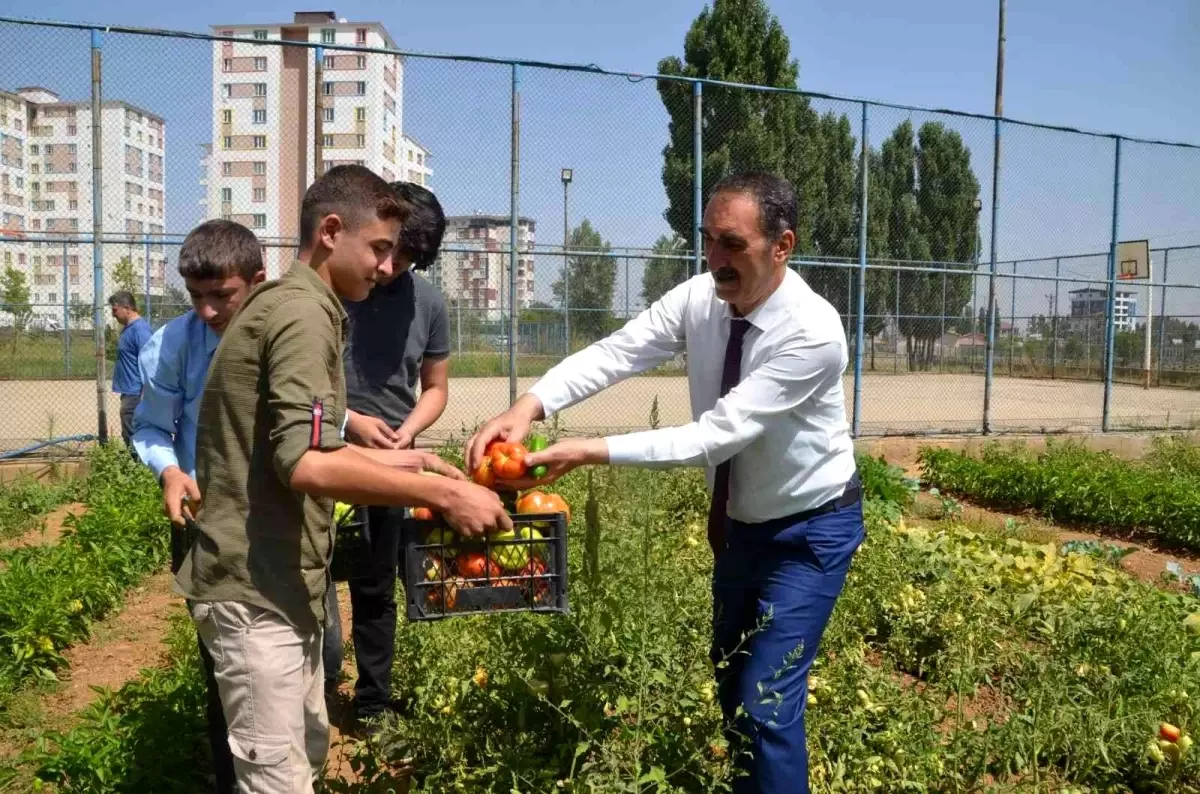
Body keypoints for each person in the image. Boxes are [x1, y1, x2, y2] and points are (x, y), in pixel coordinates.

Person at [467, 171, 863, 794]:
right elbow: (619, 351)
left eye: (732, 243)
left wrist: (590, 451)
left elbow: (716, 435)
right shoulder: (702, 298)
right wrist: (530, 405)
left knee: (765, 701)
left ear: (782, 245)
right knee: (732, 678)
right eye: (707, 240)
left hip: (807, 531)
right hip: (737, 525)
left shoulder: (812, 332)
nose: (714, 259)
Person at [176, 164, 511, 794]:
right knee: (277, 780)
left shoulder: (305, 307)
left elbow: (311, 443)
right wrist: (441, 492)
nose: (388, 268)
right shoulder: (302, 315)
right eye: (380, 250)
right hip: (255, 593)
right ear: (332, 231)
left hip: (280, 587)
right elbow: (304, 465)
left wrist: (418, 460)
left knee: (300, 761)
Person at [131, 218, 266, 794]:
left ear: (257, 282)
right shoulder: (175, 343)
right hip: (204, 520)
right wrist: (169, 471)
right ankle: (232, 778)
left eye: (223, 295)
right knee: (224, 664)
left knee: (310, 649)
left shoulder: (285, 334)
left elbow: (322, 423)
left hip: (274, 519)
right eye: (196, 297)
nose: (208, 310)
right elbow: (153, 426)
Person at [321, 181, 452, 729]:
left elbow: (436, 388)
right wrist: (348, 423)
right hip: (322, 454)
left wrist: (407, 432)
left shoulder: (428, 304)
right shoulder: (336, 286)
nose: (392, 265)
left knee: (377, 587)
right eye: (390, 248)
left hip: (392, 464)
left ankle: (373, 702)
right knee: (314, 578)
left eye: (409, 256)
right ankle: (317, 691)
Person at [108, 290, 153, 452]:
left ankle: (138, 469)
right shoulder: (129, 328)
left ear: (127, 308)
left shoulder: (140, 330)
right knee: (128, 431)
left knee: (134, 433)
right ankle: (135, 468)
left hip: (136, 393)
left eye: (115, 310)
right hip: (129, 391)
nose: (113, 315)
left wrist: (144, 394)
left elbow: (150, 363)